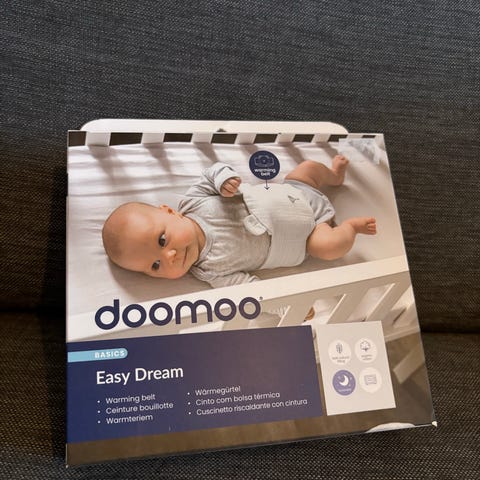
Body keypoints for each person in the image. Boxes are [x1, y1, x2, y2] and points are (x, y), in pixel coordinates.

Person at [102, 155, 376, 288]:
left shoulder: (193, 201)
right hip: (311, 233)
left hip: (295, 189)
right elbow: (250, 289)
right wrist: (283, 306)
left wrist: (224, 180)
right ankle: (350, 228)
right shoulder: (211, 271)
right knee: (329, 248)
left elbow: (212, 172)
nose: (169, 256)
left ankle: (334, 175)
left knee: (308, 169)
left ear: (169, 212)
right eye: (155, 265)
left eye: (162, 240)